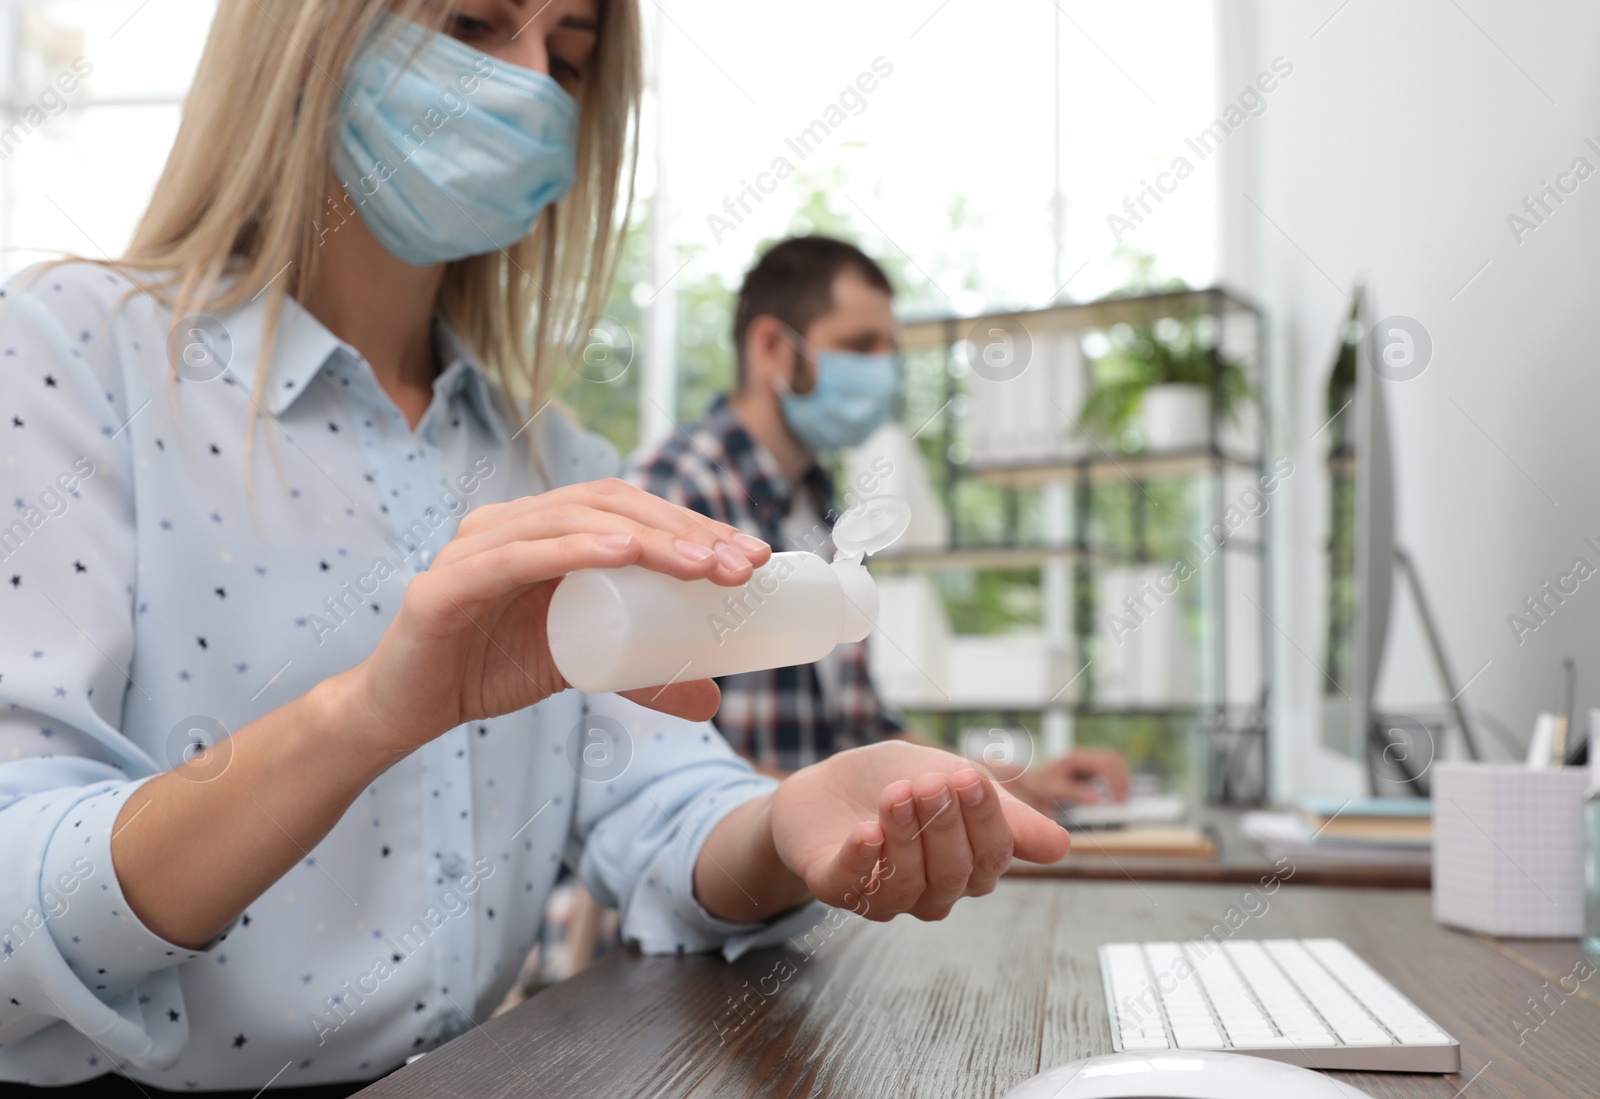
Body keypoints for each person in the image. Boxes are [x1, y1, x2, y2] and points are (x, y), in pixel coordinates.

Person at [0, 4, 1072, 1095]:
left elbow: (657, 805)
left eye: (565, 56)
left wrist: (788, 818)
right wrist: (367, 715)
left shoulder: (551, 457)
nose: (529, 88)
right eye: (472, 23)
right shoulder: (67, 356)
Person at [626, 236, 1131, 808]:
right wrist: (826, 808)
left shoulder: (819, 511)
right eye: (859, 345)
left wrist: (1018, 786)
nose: (881, 373)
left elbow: (868, 730)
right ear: (770, 346)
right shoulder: (675, 488)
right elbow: (653, 750)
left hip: (815, 883)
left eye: (888, 350)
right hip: (717, 881)